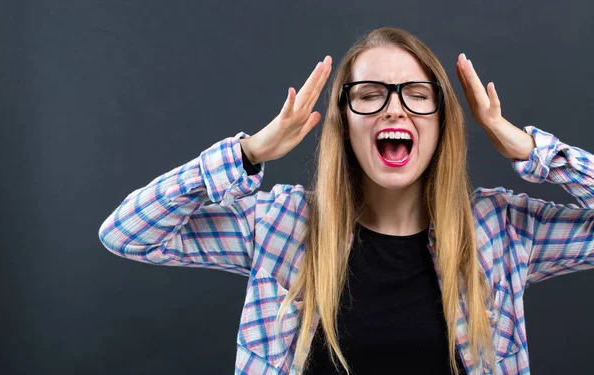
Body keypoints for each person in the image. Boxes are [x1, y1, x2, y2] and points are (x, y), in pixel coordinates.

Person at [98, 27, 594, 375]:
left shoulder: (502, 231)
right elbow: (126, 233)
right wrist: (246, 153)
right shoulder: (279, 226)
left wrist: (533, 152)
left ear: (443, 121)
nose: (394, 107)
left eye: (417, 94)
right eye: (370, 93)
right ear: (344, 122)